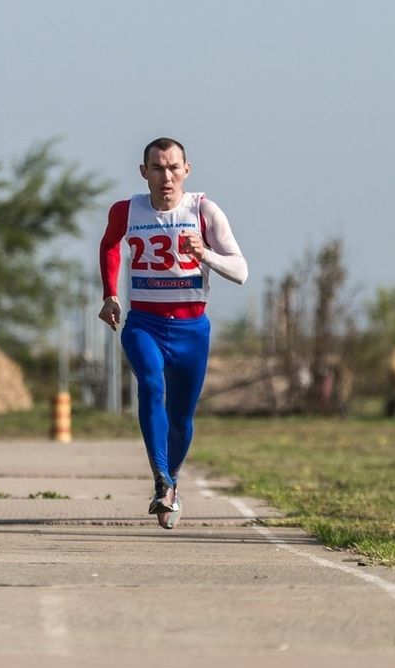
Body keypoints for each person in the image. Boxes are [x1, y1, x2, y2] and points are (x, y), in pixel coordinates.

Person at [98, 137, 248, 529]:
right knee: (150, 384)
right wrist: (110, 294)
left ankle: (172, 482)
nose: (166, 177)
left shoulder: (204, 210)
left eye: (173, 168)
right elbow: (110, 244)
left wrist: (205, 255)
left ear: (187, 170)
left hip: (191, 330)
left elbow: (242, 271)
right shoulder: (127, 211)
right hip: (144, 322)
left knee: (181, 418)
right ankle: (161, 477)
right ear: (143, 172)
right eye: (158, 168)